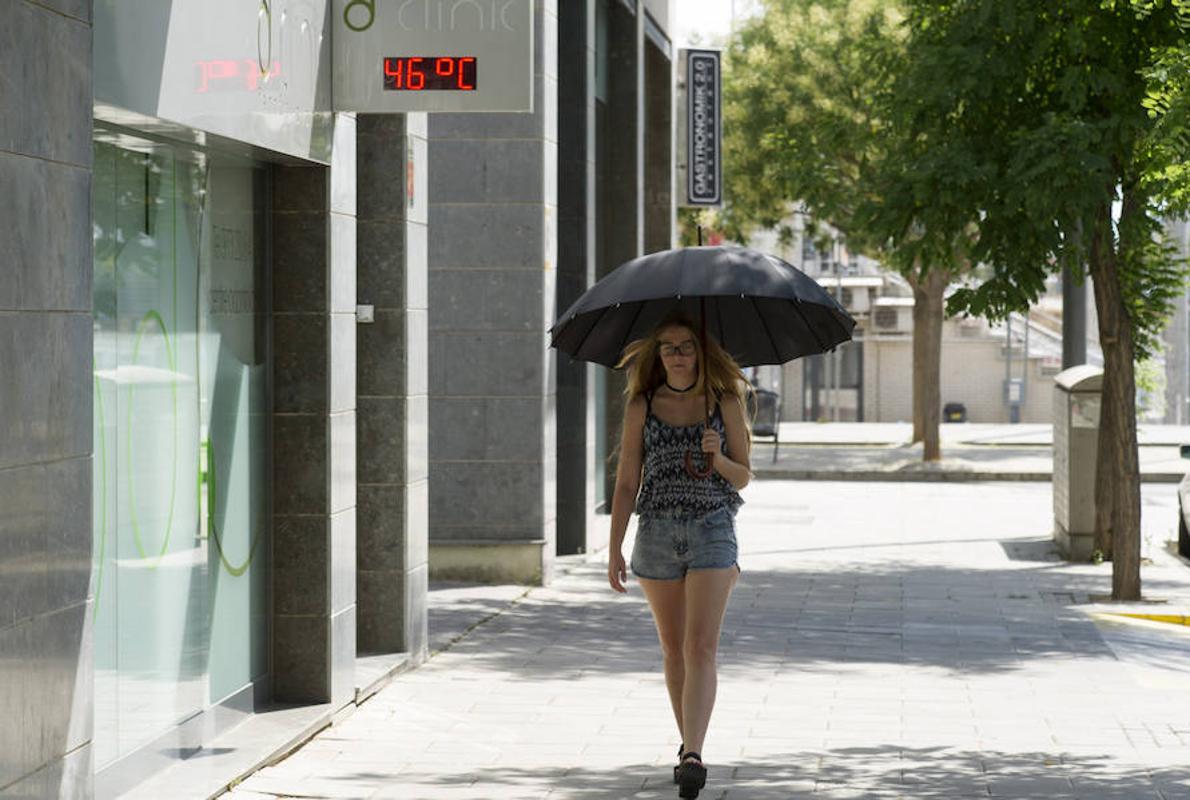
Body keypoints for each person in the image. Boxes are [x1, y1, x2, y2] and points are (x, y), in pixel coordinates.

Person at [606, 313, 752, 800]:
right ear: (657, 355)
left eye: (686, 346)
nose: (677, 354)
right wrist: (614, 549)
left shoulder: (724, 402)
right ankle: (688, 743)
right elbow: (627, 483)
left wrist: (720, 457)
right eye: (667, 347)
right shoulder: (641, 406)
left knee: (699, 648)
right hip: (656, 532)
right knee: (673, 651)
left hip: (712, 528)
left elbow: (744, 477)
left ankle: (693, 754)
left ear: (700, 351)